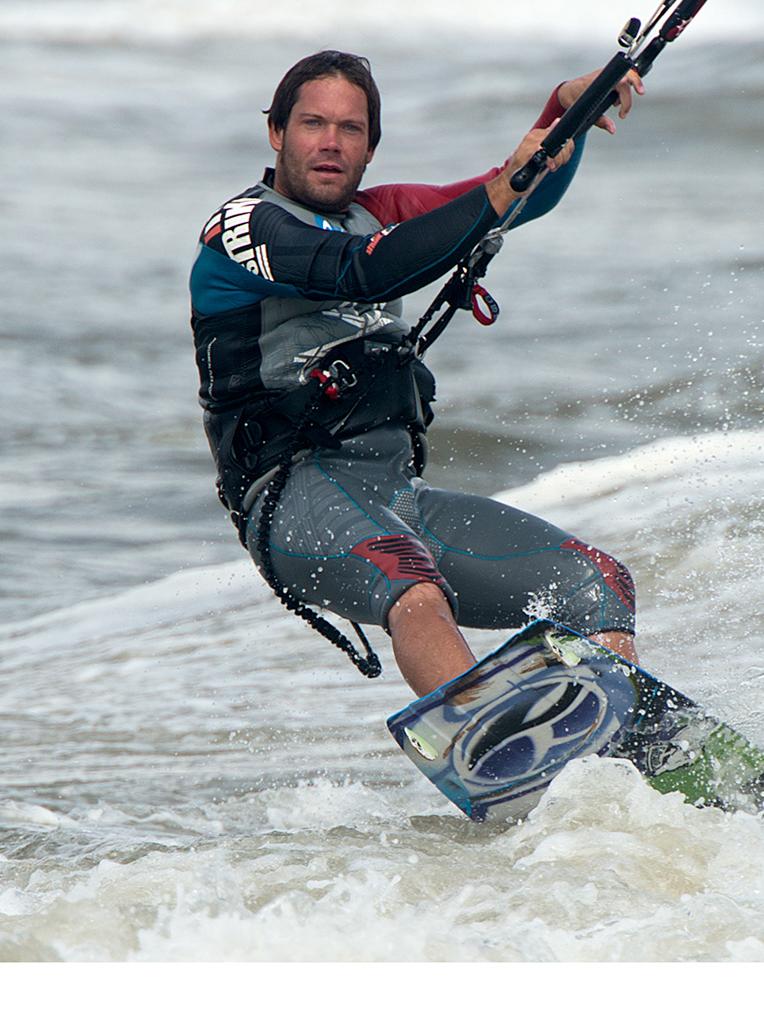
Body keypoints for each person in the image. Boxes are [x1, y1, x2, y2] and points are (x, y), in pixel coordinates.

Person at [190, 50, 645, 696]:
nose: (331, 142)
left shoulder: (380, 212)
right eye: (313, 123)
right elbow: (363, 270)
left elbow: (513, 195)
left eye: (350, 129)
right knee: (412, 582)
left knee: (596, 583)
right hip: (291, 498)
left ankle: (620, 737)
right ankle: (483, 736)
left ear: (370, 148)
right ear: (276, 133)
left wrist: (567, 112)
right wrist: (500, 189)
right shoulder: (240, 228)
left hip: (397, 495)